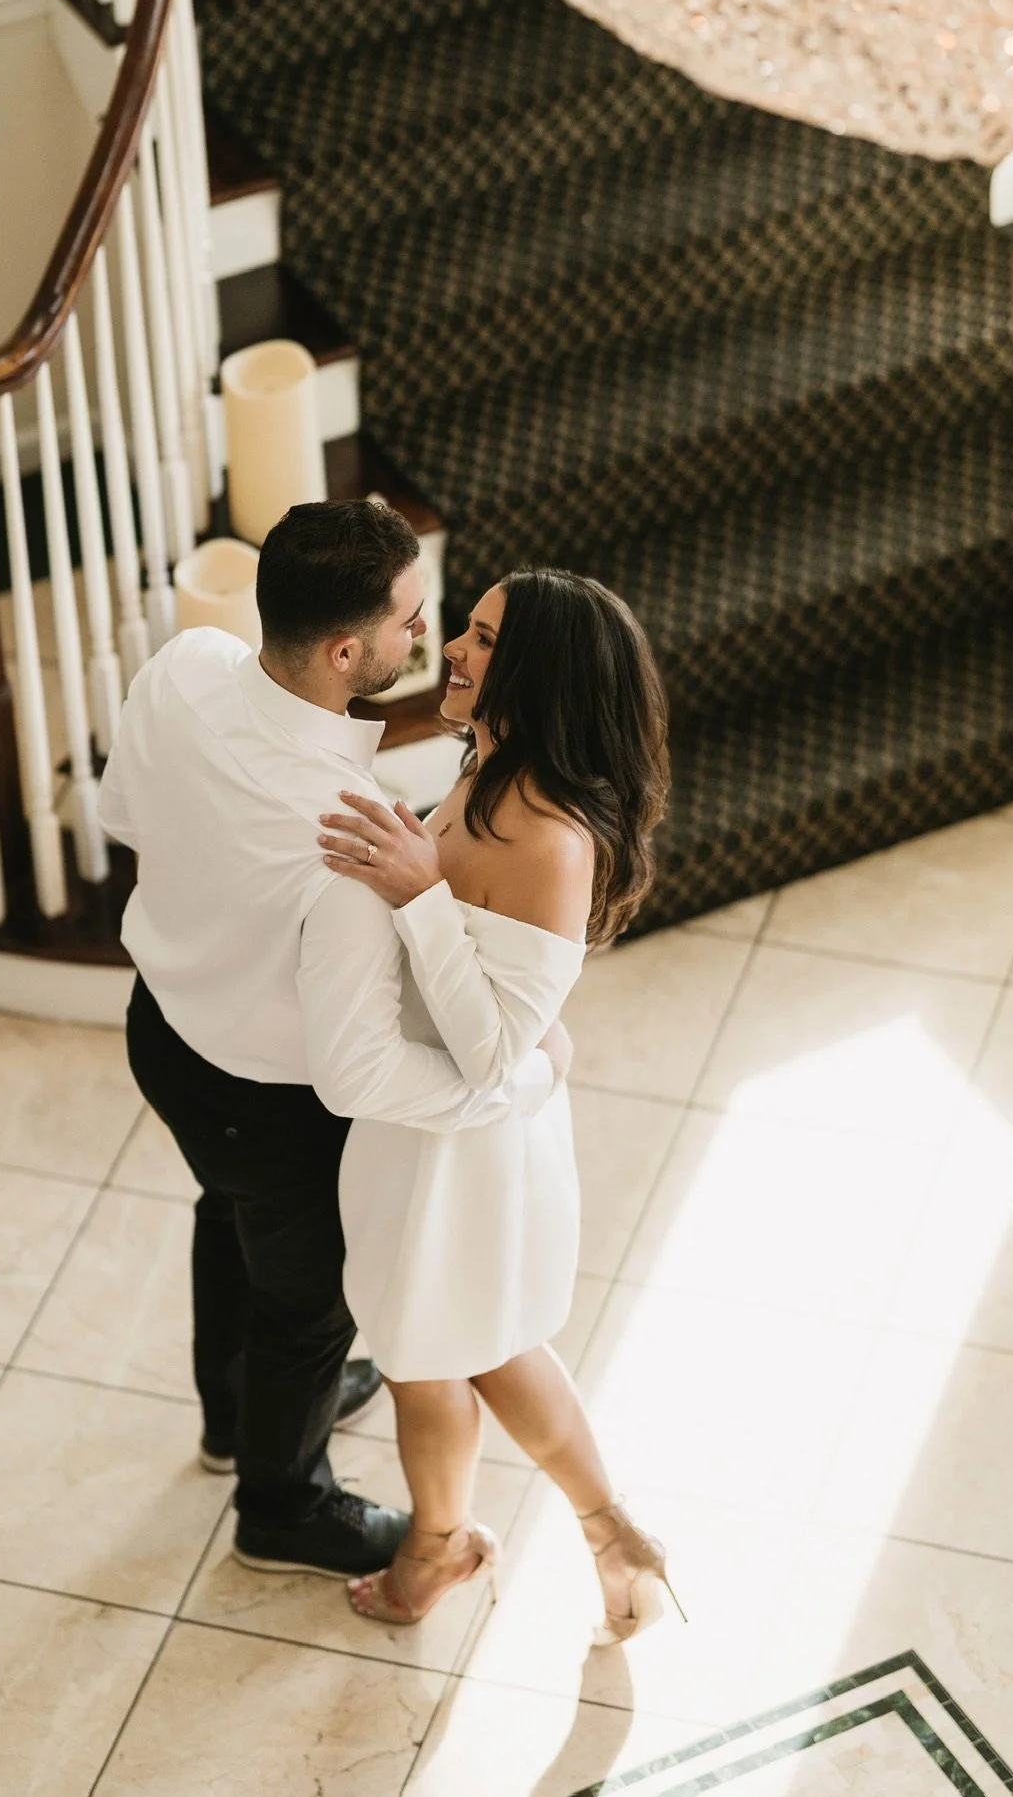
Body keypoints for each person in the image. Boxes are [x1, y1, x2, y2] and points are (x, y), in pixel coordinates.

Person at [97, 501, 568, 1582]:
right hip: (265, 1097)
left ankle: (229, 1416)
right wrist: (516, 1085)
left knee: (228, 1211)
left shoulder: (188, 662)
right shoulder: (350, 832)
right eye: (411, 622)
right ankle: (281, 1504)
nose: (428, 639)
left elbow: (126, 814)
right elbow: (360, 1068)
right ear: (349, 650)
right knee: (306, 1311)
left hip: (159, 1032)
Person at [315, 568, 683, 1644]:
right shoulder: (492, 769)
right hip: (440, 1127)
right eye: (466, 628)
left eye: (479, 638)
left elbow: (488, 1054)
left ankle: (441, 1545)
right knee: (490, 1343)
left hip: (462, 1146)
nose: (455, 651)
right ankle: (612, 1532)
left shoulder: (552, 841)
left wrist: (417, 890)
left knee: (428, 1358)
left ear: (540, 673)